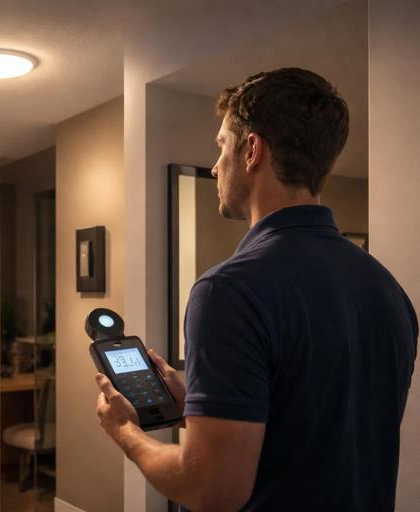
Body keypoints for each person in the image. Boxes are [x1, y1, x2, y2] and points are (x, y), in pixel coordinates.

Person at [94, 68, 418, 511]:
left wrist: (124, 432)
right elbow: (316, 429)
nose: (214, 166)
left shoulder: (228, 291)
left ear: (252, 151)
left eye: (221, 146)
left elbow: (212, 489)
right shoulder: (387, 289)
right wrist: (197, 404)